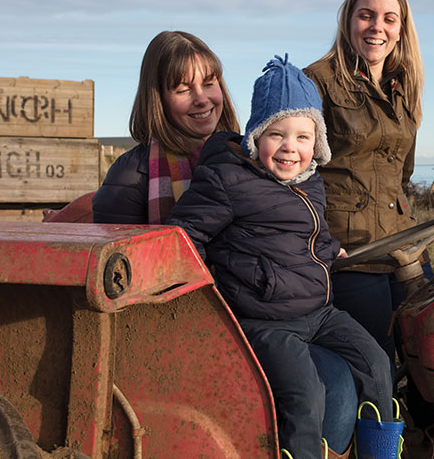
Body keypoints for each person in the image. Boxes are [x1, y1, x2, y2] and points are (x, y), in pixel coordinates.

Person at [91, 32, 357, 454]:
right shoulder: (133, 173)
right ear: (156, 97)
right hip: (180, 328)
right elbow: (117, 274)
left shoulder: (248, 152)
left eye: (209, 82)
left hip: (257, 312)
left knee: (342, 384)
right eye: (183, 88)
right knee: (323, 389)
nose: (202, 99)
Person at [167, 55, 400, 459]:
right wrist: (208, 290)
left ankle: (379, 452)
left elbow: (311, 235)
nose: (290, 148)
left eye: (303, 137)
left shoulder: (311, 185)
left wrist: (330, 249)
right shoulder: (228, 180)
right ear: (256, 137)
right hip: (266, 320)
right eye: (277, 134)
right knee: (306, 396)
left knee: (378, 365)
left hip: (319, 312)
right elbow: (184, 236)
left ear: (317, 142)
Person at [303, 0, 427, 377]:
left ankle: (420, 437)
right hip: (349, 254)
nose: (378, 27)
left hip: (403, 246)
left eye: (390, 19)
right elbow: (291, 174)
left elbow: (400, 173)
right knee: (376, 368)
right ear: (348, 21)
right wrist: (321, 240)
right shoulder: (316, 82)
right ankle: (378, 441)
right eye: (366, 16)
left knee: (428, 351)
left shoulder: (402, 88)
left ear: (400, 29)